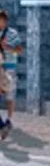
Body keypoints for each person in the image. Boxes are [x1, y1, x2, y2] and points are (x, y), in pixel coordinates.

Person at [0, 8, 21, 141]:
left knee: (9, 97)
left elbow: (19, 50)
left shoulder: (12, 33)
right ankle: (2, 125)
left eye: (1, 20)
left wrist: (8, 48)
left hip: (10, 68)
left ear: (5, 21)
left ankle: (8, 121)